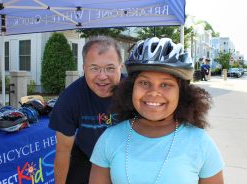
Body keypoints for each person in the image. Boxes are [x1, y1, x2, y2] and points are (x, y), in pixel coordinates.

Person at [89, 37, 224, 184]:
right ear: (130, 88)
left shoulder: (201, 143)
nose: (154, 93)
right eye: (144, 83)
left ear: (182, 93)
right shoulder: (109, 139)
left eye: (165, 85)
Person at [49, 36, 124, 184]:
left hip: (125, 155)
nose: (102, 76)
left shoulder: (134, 92)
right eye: (94, 68)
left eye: (110, 68)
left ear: (120, 67)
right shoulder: (69, 99)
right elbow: (63, 152)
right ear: (84, 68)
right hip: (87, 154)